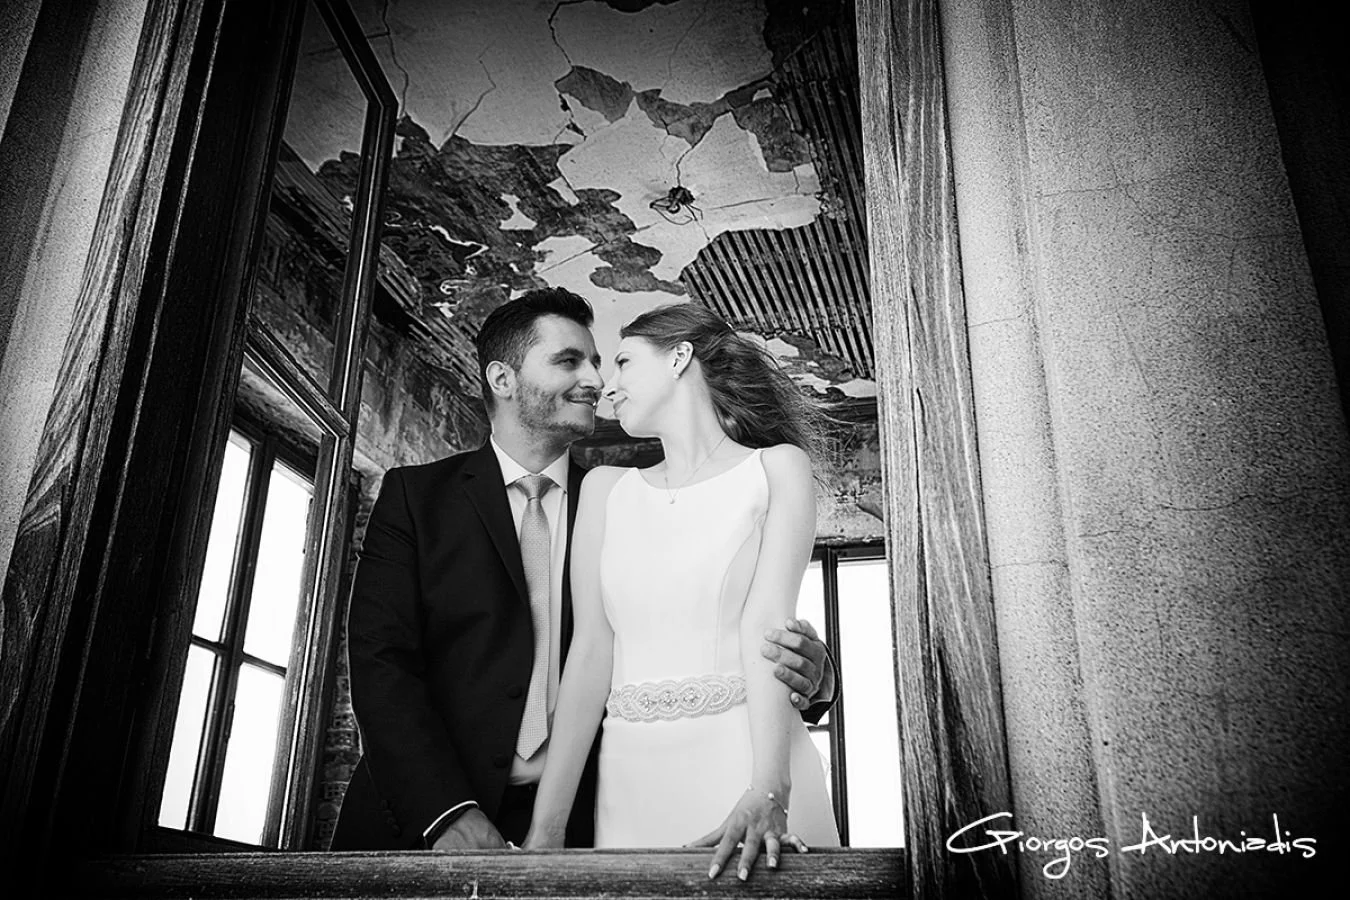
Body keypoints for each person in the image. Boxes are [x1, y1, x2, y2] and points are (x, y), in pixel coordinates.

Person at [330, 288, 835, 852]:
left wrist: (816, 677)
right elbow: (380, 665)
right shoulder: (415, 498)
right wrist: (446, 813)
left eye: (603, 361)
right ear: (502, 379)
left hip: (591, 815)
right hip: (432, 816)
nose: (596, 381)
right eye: (570, 361)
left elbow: (724, 621)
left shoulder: (612, 494)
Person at [522, 303, 841, 879]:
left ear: (678, 356)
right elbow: (590, 653)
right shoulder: (604, 490)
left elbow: (766, 627)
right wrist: (547, 827)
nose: (608, 388)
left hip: (746, 758)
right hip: (631, 780)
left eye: (622, 362)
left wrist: (770, 789)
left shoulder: (775, 469)